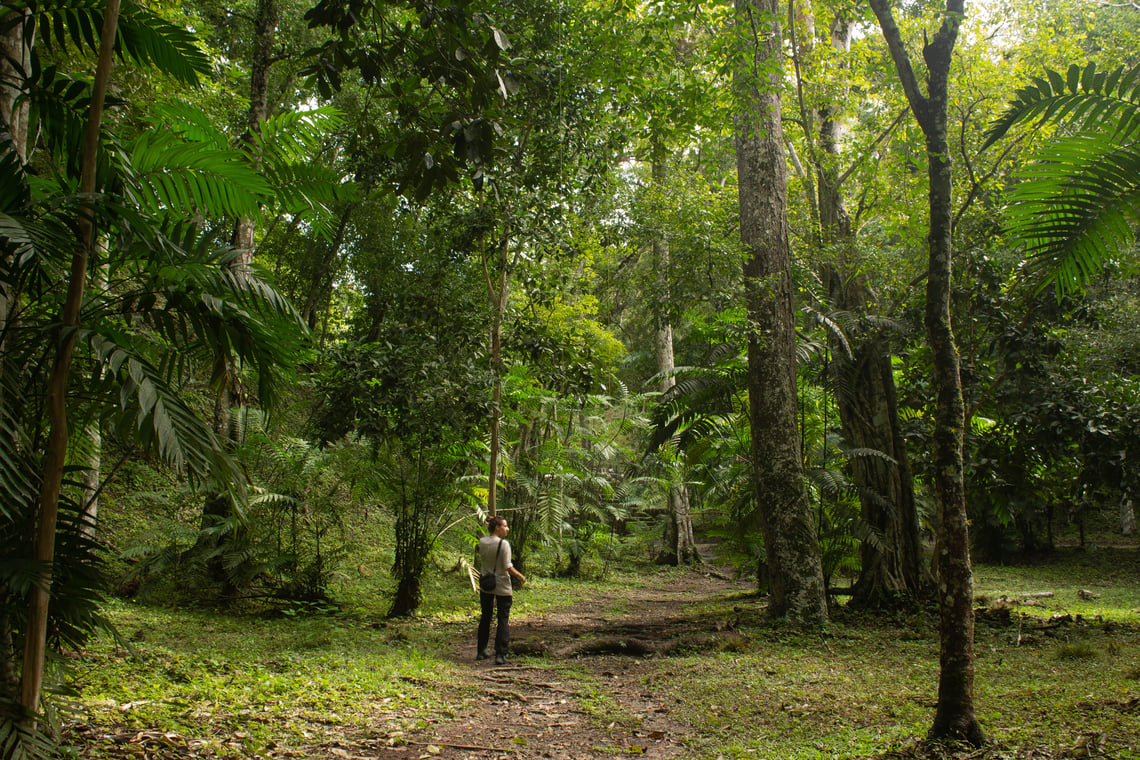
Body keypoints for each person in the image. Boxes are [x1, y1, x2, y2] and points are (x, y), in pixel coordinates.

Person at [477, 515, 526, 665]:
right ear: (497, 528)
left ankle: (481, 650)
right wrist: (520, 576)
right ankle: (500, 654)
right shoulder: (504, 544)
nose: (507, 529)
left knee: (485, 617)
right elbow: (507, 566)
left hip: (486, 584)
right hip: (502, 585)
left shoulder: (482, 541)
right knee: (502, 619)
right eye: (505, 526)